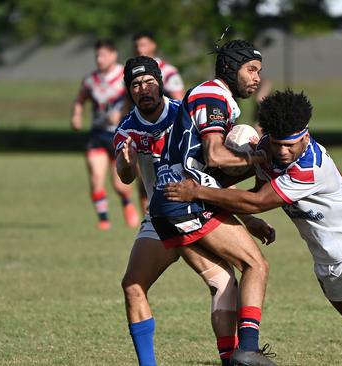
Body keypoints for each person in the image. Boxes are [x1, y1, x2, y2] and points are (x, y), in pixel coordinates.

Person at [162, 90, 342, 366]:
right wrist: (248, 214)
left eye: (290, 145)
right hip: (327, 259)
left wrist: (198, 192)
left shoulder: (311, 166)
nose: (282, 152)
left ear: (305, 137)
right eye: (278, 144)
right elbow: (257, 187)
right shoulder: (266, 149)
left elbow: (257, 201)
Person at [115, 56, 275, 366]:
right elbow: (125, 176)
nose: (144, 89)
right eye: (136, 85)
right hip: (162, 216)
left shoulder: (183, 111)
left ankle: (231, 359)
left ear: (160, 83)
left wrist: (249, 217)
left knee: (223, 282)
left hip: (192, 204)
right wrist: (126, 163)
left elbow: (210, 172)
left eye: (149, 82)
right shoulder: (127, 130)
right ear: (129, 91)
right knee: (133, 285)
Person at [70, 39, 139, 230]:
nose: (99, 59)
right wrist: (76, 114)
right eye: (97, 56)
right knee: (96, 177)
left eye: (103, 55)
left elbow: (135, 98)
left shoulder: (125, 76)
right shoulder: (90, 80)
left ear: (114, 55)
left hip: (120, 134)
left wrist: (124, 111)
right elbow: (79, 99)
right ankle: (104, 221)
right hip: (98, 134)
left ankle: (127, 201)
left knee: (119, 185)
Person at [131, 31, 186, 215]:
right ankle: (149, 216)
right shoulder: (132, 72)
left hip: (169, 133)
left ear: (154, 45)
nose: (140, 49)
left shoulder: (168, 71)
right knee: (144, 178)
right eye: (138, 46)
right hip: (143, 131)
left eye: (144, 45)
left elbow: (180, 101)